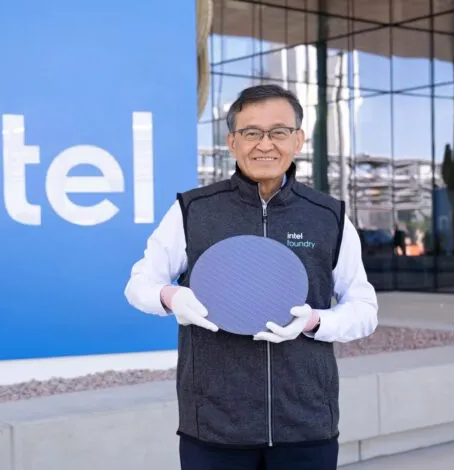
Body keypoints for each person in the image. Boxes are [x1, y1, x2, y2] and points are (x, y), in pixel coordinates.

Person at [124, 84, 378, 470]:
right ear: (232, 141)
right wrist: (172, 297)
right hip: (214, 426)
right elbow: (139, 283)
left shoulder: (328, 216)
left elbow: (364, 309)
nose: (265, 144)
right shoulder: (193, 210)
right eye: (251, 132)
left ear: (298, 140)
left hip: (306, 424)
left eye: (278, 132)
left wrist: (315, 321)